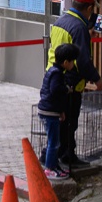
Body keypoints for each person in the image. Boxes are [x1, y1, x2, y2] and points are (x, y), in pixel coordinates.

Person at [47, 0, 102, 168]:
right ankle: (67, 156)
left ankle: (55, 154)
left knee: (60, 122)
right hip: (70, 83)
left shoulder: (61, 20)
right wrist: (97, 79)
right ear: (88, 9)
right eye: (92, 10)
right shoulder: (79, 27)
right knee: (70, 122)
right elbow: (82, 61)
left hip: (54, 76)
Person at [39, 42, 79, 179]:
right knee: (54, 142)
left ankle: (54, 165)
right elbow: (55, 91)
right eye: (72, 61)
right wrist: (67, 89)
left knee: (55, 141)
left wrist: (61, 111)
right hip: (49, 112)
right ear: (66, 62)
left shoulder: (53, 70)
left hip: (51, 110)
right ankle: (49, 168)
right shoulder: (57, 74)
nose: (73, 64)